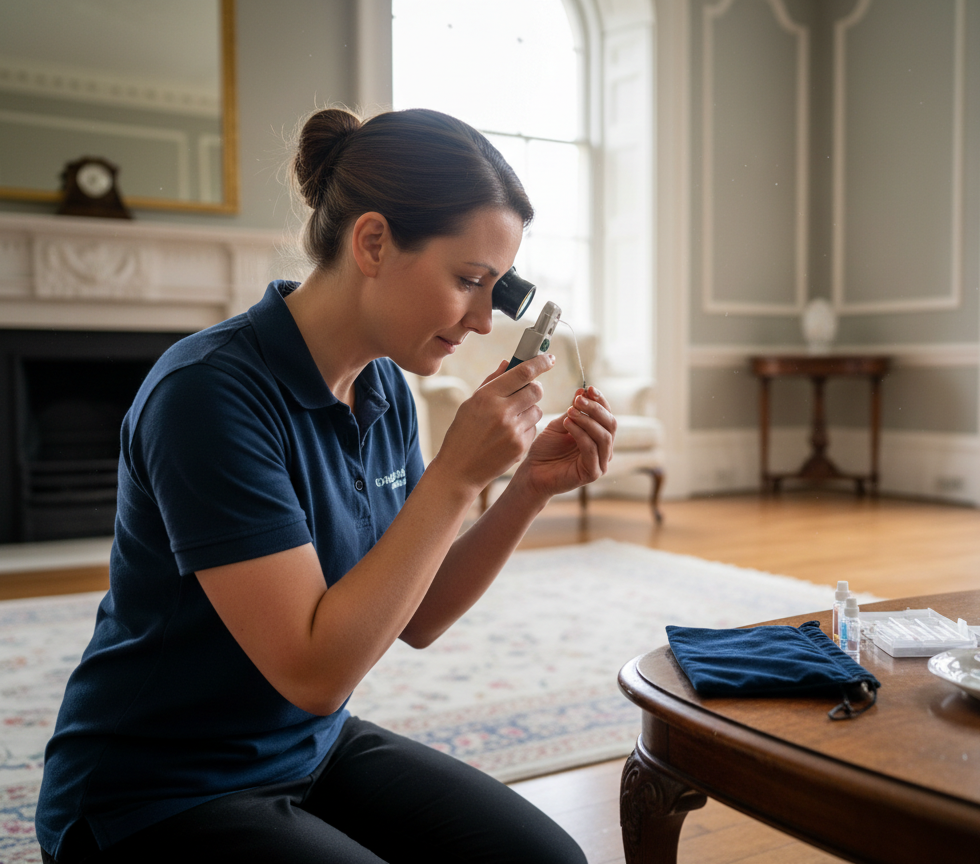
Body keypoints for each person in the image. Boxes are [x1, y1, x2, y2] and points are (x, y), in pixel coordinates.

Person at [34, 107, 614, 863]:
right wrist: (452, 477)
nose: (481, 321)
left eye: (497, 289)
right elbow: (315, 673)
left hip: (306, 748)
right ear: (372, 241)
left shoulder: (385, 390)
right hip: (154, 789)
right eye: (468, 280)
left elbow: (419, 615)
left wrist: (526, 487)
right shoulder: (207, 395)